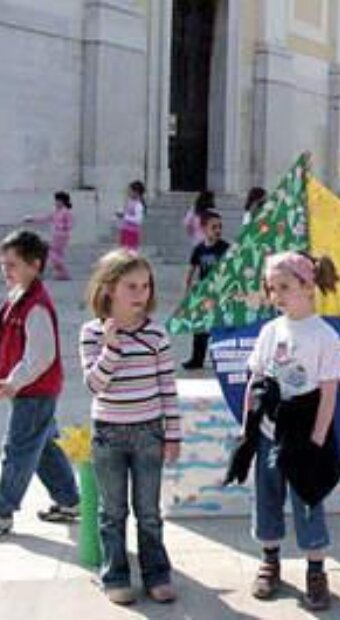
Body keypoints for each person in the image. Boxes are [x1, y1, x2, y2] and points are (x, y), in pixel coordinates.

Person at [80, 249, 181, 605]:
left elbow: (168, 386)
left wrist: (173, 434)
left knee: (149, 512)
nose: (140, 293)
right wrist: (111, 348)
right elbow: (94, 386)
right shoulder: (92, 333)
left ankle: (157, 574)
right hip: (108, 434)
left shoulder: (156, 334)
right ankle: (116, 575)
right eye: (131, 286)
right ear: (109, 289)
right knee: (112, 512)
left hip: (149, 433)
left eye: (145, 285)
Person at [245, 251, 340, 610]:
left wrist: (318, 439)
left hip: (305, 433)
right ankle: (269, 559)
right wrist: (249, 428)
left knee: (307, 498)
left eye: (284, 287)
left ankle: (316, 570)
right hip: (271, 431)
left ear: (308, 286)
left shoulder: (325, 335)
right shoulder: (270, 332)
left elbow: (330, 392)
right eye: (272, 289)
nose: (277, 296)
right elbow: (256, 379)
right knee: (267, 495)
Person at [0, 230, 80, 537]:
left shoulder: (36, 305)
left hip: (34, 390)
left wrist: (13, 381)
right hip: (30, 390)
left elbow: (41, 355)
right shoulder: (16, 298)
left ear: (35, 265)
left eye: (12, 265)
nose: (6, 271)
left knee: (18, 449)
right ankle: (69, 500)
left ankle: (3, 510)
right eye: (4, 264)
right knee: (44, 446)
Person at [182, 211, 231, 370]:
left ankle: (221, 359)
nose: (218, 230)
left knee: (219, 329)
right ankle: (197, 359)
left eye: (220, 227)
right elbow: (191, 270)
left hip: (220, 294)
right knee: (200, 330)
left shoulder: (225, 248)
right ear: (204, 229)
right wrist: (188, 291)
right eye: (214, 227)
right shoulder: (199, 249)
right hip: (203, 296)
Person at [23, 191, 74, 280]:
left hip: (61, 236)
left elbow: (70, 224)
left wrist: (63, 228)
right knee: (57, 255)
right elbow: (45, 218)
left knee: (53, 254)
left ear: (63, 201)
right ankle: (61, 273)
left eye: (58, 200)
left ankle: (64, 273)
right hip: (56, 235)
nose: (56, 202)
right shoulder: (56, 212)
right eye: (56, 200)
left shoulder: (66, 212)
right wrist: (32, 219)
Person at [117, 180, 146, 250]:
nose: (128, 193)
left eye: (130, 191)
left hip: (132, 233)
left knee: (129, 253)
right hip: (125, 230)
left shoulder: (139, 205)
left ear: (136, 192)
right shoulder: (129, 202)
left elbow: (138, 220)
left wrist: (124, 216)